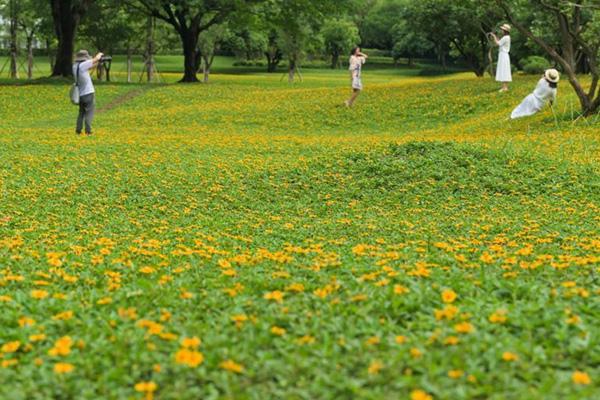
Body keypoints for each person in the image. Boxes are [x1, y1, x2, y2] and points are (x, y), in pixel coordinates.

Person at [73, 50, 103, 135]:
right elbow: (95, 59)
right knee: (89, 112)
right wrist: (100, 55)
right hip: (88, 93)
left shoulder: (75, 66)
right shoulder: (83, 65)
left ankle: (78, 130)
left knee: (81, 112)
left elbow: (91, 65)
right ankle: (88, 131)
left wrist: (98, 63)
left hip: (80, 94)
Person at [490, 24, 512, 92]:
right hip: (504, 55)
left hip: (503, 55)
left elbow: (498, 43)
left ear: (505, 30)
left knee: (504, 70)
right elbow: (500, 42)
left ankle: (504, 87)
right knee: (504, 70)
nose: (501, 30)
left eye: (502, 29)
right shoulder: (507, 37)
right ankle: (504, 87)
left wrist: (494, 36)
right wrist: (496, 37)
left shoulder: (506, 38)